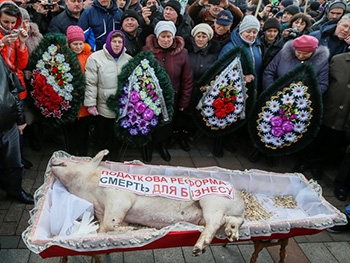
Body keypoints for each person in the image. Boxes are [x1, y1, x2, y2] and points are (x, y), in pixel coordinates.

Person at [143, 20, 193, 162]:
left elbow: (187, 79)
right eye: (162, 36)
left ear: (173, 37)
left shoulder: (182, 53)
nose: (165, 40)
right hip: (150, 97)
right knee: (149, 122)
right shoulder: (147, 51)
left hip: (172, 97)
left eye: (168, 37)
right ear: (157, 37)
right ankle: (148, 146)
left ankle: (162, 146)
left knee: (167, 125)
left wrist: (184, 101)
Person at [84, 30, 132, 160]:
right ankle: (102, 157)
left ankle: (115, 158)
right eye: (114, 41)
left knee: (117, 134)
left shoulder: (129, 60)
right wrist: (90, 103)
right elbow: (91, 83)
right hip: (103, 105)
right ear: (108, 42)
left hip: (121, 105)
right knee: (103, 133)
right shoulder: (96, 58)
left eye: (120, 42)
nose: (117, 45)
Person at [0, 2, 33, 169]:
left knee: (19, 128)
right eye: (6, 22)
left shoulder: (15, 33)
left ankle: (18, 159)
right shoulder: (3, 37)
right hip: (2, 91)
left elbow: (22, 65)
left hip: (16, 88)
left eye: (13, 22)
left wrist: (21, 44)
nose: (10, 26)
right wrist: (1, 44)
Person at [0, 52, 34, 204]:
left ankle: (15, 191)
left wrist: (20, 119)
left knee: (14, 162)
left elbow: (13, 88)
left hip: (8, 124)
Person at [183, 23, 220, 151]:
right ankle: (181, 136)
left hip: (202, 90)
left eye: (204, 36)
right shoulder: (186, 50)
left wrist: (208, 84)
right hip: (187, 87)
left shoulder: (213, 55)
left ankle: (191, 135)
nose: (200, 39)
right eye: (198, 36)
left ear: (208, 38)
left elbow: (215, 73)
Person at [263, 35, 329, 94]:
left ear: (313, 52)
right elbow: (269, 72)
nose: (301, 56)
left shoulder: (321, 62)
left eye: (305, 54)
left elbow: (322, 84)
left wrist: (304, 97)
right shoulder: (283, 53)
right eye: (298, 52)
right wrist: (272, 91)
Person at [63, 25, 92, 156]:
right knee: (70, 132)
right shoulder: (62, 57)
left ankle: (83, 156)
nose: (79, 47)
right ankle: (71, 155)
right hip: (69, 101)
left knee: (84, 133)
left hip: (84, 102)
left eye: (81, 43)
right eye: (75, 44)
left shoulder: (89, 56)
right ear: (69, 44)